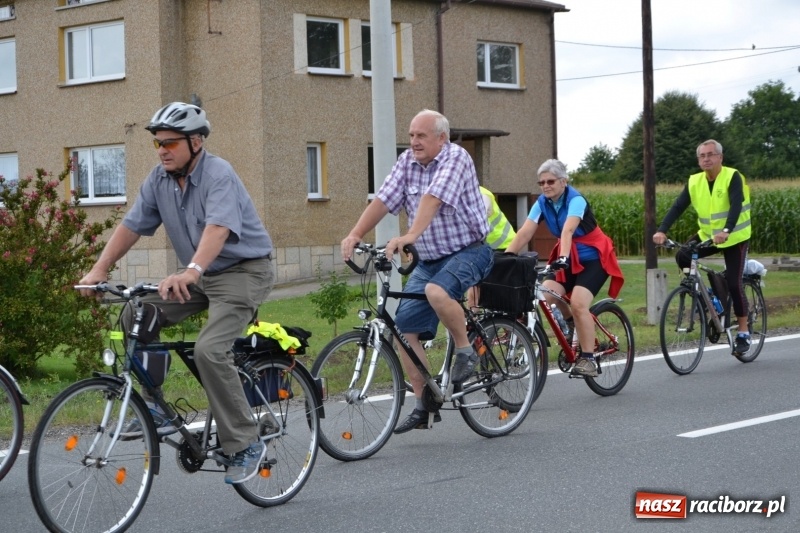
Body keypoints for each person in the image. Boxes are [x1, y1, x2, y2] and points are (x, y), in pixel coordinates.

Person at [78, 102, 275, 485]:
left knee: (209, 350)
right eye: (157, 143)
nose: (162, 150)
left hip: (244, 271)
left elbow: (218, 230)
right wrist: (100, 269)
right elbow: (131, 226)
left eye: (170, 143)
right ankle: (153, 408)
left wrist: (191, 270)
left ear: (196, 142)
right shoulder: (158, 180)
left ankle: (246, 442)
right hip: (199, 273)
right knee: (136, 314)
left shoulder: (219, 174)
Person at [340, 109, 493, 433]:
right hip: (431, 257)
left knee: (436, 291)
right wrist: (356, 234)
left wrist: (410, 235)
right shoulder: (407, 162)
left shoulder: (457, 158)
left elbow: (432, 199)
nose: (413, 142)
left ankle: (465, 350)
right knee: (403, 329)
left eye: (421, 136)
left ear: (441, 138)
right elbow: (383, 200)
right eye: (411, 135)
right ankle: (426, 403)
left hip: (470, 251)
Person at [504, 159, 624, 377]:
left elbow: (568, 231)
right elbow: (525, 232)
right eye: (541, 183)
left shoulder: (575, 199)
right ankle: (570, 329)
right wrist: (506, 257)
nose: (545, 186)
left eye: (550, 181)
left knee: (578, 304)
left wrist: (562, 258)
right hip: (567, 256)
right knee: (545, 295)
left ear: (563, 181)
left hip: (594, 258)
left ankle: (588, 358)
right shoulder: (542, 202)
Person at [653, 139, 752, 355]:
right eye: (702, 156)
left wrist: (726, 231)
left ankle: (743, 332)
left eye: (711, 154)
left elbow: (736, 205)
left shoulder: (732, 176)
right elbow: (678, 206)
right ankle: (709, 297)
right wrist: (662, 230)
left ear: (720, 157)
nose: (706, 159)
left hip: (734, 236)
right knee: (682, 255)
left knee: (735, 285)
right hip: (708, 235)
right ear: (699, 160)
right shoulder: (695, 181)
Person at [466, 186, 517, 309]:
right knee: (474, 290)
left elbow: (479, 218)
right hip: (482, 248)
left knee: (498, 291)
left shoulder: (483, 194)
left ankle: (511, 325)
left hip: (504, 245)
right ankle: (476, 325)